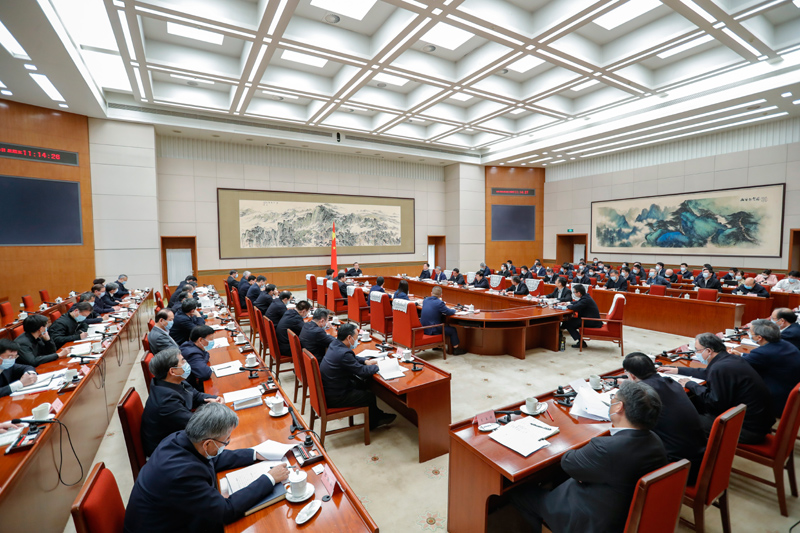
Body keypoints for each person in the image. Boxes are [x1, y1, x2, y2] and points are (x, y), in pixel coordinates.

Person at [511, 380, 668, 533]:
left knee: (520, 492)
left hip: (592, 521)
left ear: (619, 407)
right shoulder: (656, 442)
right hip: (624, 512)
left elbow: (568, 463)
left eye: (613, 398)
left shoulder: (607, 448)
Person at [124, 402, 290, 533]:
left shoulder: (181, 439)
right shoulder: (181, 474)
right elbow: (226, 511)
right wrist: (270, 478)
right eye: (226, 441)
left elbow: (213, 459)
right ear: (208, 443)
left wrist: (255, 454)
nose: (227, 443)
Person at [661, 333, 774, 444]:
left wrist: (691, 384)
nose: (696, 353)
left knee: (679, 418)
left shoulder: (720, 368)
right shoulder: (730, 359)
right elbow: (707, 373)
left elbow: (715, 402)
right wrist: (678, 370)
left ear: (708, 351)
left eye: (697, 350)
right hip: (758, 423)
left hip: (747, 430)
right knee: (694, 405)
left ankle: (695, 452)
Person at [623, 353, 706, 484]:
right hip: (699, 457)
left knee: (624, 453)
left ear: (632, 376)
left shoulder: (643, 396)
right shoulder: (672, 383)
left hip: (677, 468)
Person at [141, 348, 221, 457]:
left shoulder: (174, 381)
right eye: (183, 361)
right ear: (172, 371)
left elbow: (196, 396)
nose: (186, 363)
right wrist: (214, 410)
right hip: (167, 452)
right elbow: (196, 424)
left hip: (180, 434)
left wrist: (215, 399)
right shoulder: (166, 402)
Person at [319, 324, 395, 429]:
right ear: (349, 337)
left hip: (331, 388)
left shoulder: (335, 344)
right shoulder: (344, 353)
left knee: (362, 384)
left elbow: (352, 357)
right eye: (356, 337)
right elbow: (361, 371)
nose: (357, 340)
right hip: (336, 396)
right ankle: (374, 422)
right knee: (369, 396)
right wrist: (379, 366)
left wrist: (365, 361)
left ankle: (376, 414)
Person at [738, 319, 800, 417]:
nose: (749, 334)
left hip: (775, 402)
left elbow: (738, 365)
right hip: (789, 394)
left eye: (750, 332)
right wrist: (741, 355)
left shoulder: (763, 353)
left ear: (759, 337)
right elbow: (759, 358)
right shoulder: (785, 344)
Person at [421, 286, 465, 355]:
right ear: (441, 295)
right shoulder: (440, 303)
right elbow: (449, 312)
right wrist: (455, 310)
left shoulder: (425, 300)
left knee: (441, 322)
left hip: (423, 328)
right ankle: (456, 349)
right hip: (433, 329)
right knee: (452, 330)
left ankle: (437, 346)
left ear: (431, 293)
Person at [561, 284, 601, 348]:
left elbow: (575, 307)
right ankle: (560, 331)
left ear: (579, 293)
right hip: (589, 319)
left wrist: (566, 306)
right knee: (567, 321)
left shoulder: (585, 299)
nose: (574, 293)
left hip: (591, 321)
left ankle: (581, 342)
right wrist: (567, 303)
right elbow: (578, 302)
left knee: (568, 323)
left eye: (574, 292)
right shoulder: (586, 297)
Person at [179, 325, 215, 392]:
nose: (212, 341)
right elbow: (205, 374)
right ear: (200, 340)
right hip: (190, 389)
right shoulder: (192, 353)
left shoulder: (190, 344)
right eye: (210, 339)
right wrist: (203, 360)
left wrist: (202, 360)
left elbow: (206, 354)